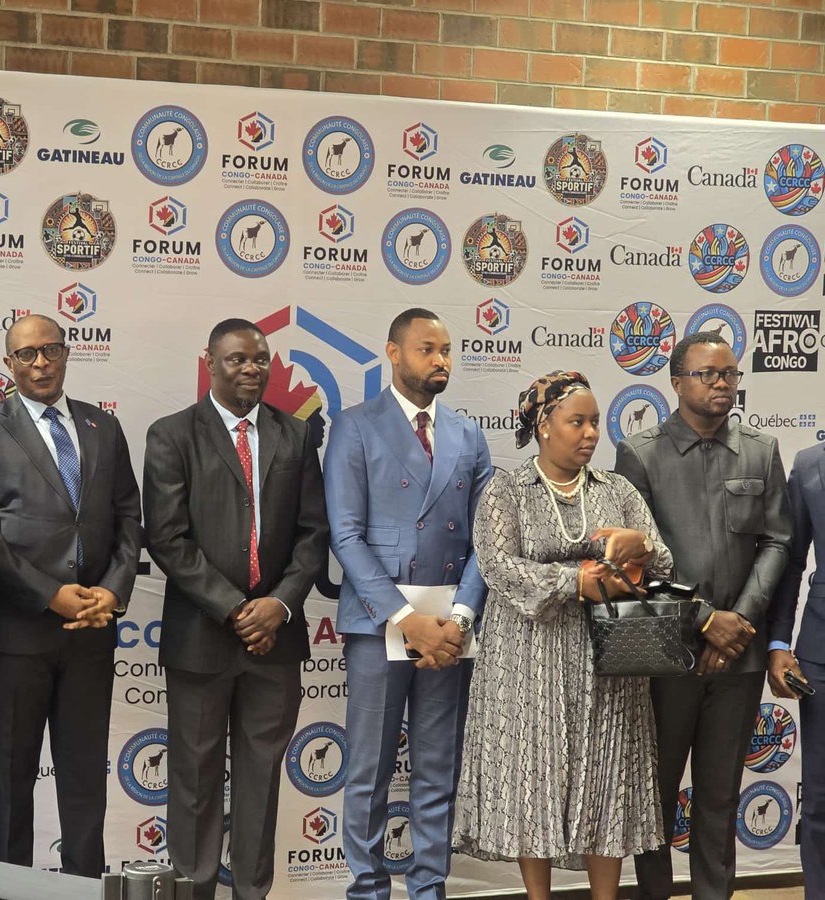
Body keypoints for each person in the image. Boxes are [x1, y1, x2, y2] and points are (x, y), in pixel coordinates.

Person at [454, 370, 667, 899]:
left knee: (606, 775)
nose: (591, 432)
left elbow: (663, 561)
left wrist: (638, 545)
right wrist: (575, 582)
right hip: (528, 658)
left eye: (595, 422)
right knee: (535, 776)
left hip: (608, 662)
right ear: (544, 425)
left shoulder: (618, 490)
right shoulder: (507, 490)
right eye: (578, 421)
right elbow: (498, 567)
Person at [143, 318, 329, 900]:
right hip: (201, 639)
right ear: (210, 363)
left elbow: (313, 533)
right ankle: (193, 890)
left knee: (261, 781)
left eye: (261, 360)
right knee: (193, 781)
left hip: (274, 643)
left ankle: (253, 891)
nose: (251, 369)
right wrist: (235, 609)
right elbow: (168, 539)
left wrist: (276, 605)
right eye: (237, 360)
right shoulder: (172, 434)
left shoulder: (295, 437)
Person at [0, 314, 142, 877]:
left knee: (84, 777)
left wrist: (112, 592)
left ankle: (86, 887)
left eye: (51, 350)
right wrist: (49, 594)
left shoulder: (102, 427)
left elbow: (129, 519)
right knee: (10, 779)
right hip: (16, 633)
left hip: (92, 633)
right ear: (8, 363)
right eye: (27, 354)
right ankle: (5, 891)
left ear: (66, 354)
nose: (41, 363)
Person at [323, 308, 492, 900]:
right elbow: (345, 536)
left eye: (447, 350)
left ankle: (428, 889)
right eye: (427, 349)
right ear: (393, 353)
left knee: (437, 768)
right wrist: (405, 619)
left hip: (449, 627)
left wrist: (460, 619)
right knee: (367, 771)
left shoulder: (469, 435)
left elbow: (486, 542)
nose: (440, 360)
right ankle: (367, 890)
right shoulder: (354, 425)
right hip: (382, 623)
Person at [617, 331, 792, 900]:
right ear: (676, 382)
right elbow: (632, 564)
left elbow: (778, 543)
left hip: (737, 659)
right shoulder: (639, 453)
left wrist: (737, 623)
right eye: (708, 374)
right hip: (664, 657)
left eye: (730, 375)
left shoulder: (761, 450)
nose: (722, 384)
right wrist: (703, 619)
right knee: (655, 797)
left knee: (719, 798)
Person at [767, 437, 825, 896]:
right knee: (821, 800)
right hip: (820, 654)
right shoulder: (809, 464)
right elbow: (789, 562)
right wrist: (779, 640)